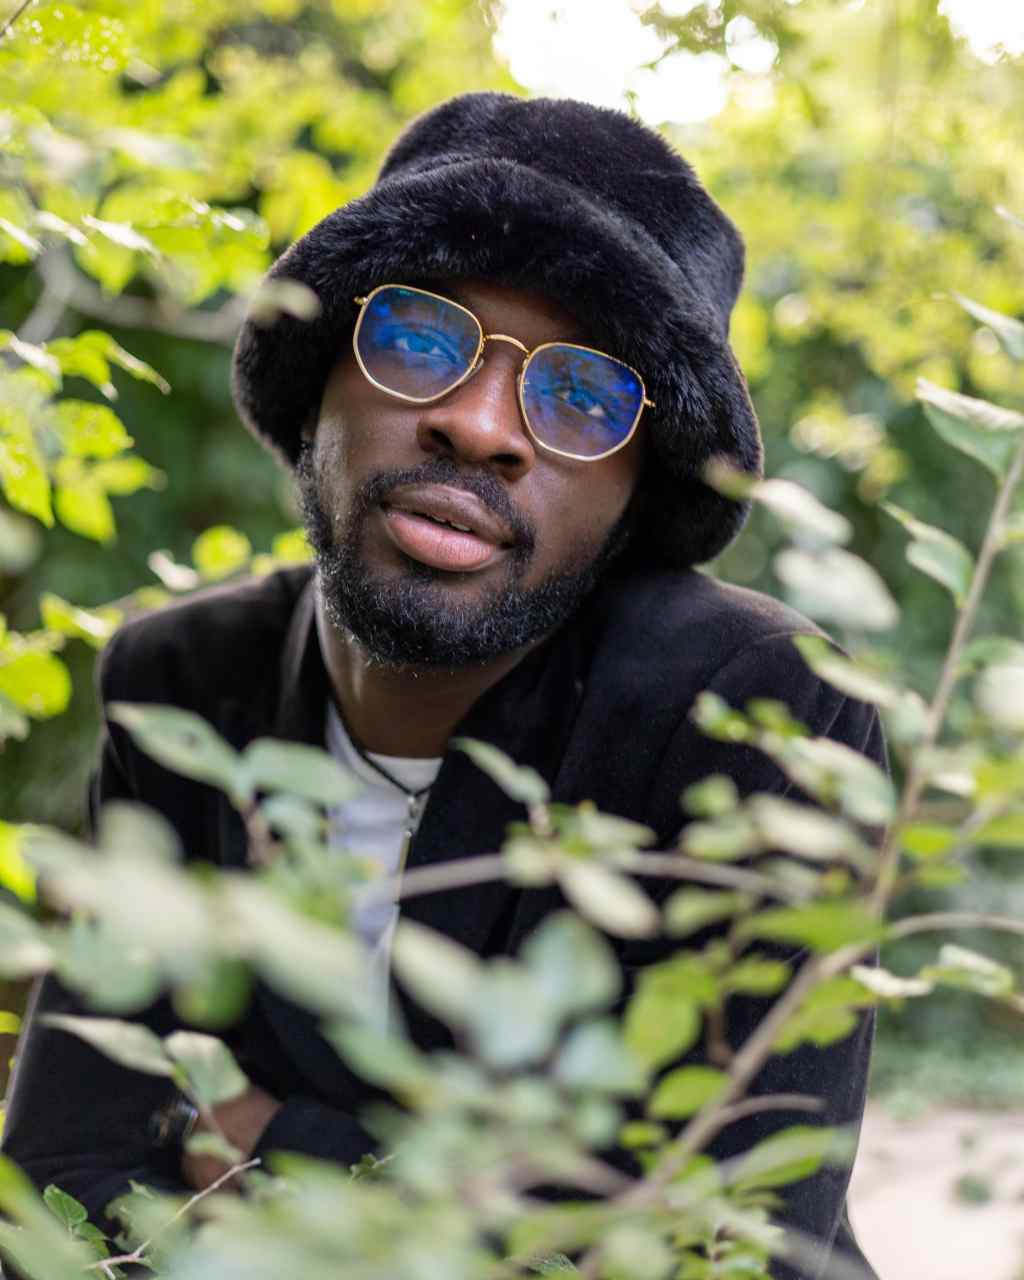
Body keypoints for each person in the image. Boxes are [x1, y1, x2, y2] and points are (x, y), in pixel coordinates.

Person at [2, 92, 883, 1279]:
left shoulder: (758, 716)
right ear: (318, 372)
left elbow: (727, 1250)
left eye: (581, 396)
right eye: (420, 338)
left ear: (639, 486)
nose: (476, 425)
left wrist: (282, 1137)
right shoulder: (182, 682)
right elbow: (62, 1181)